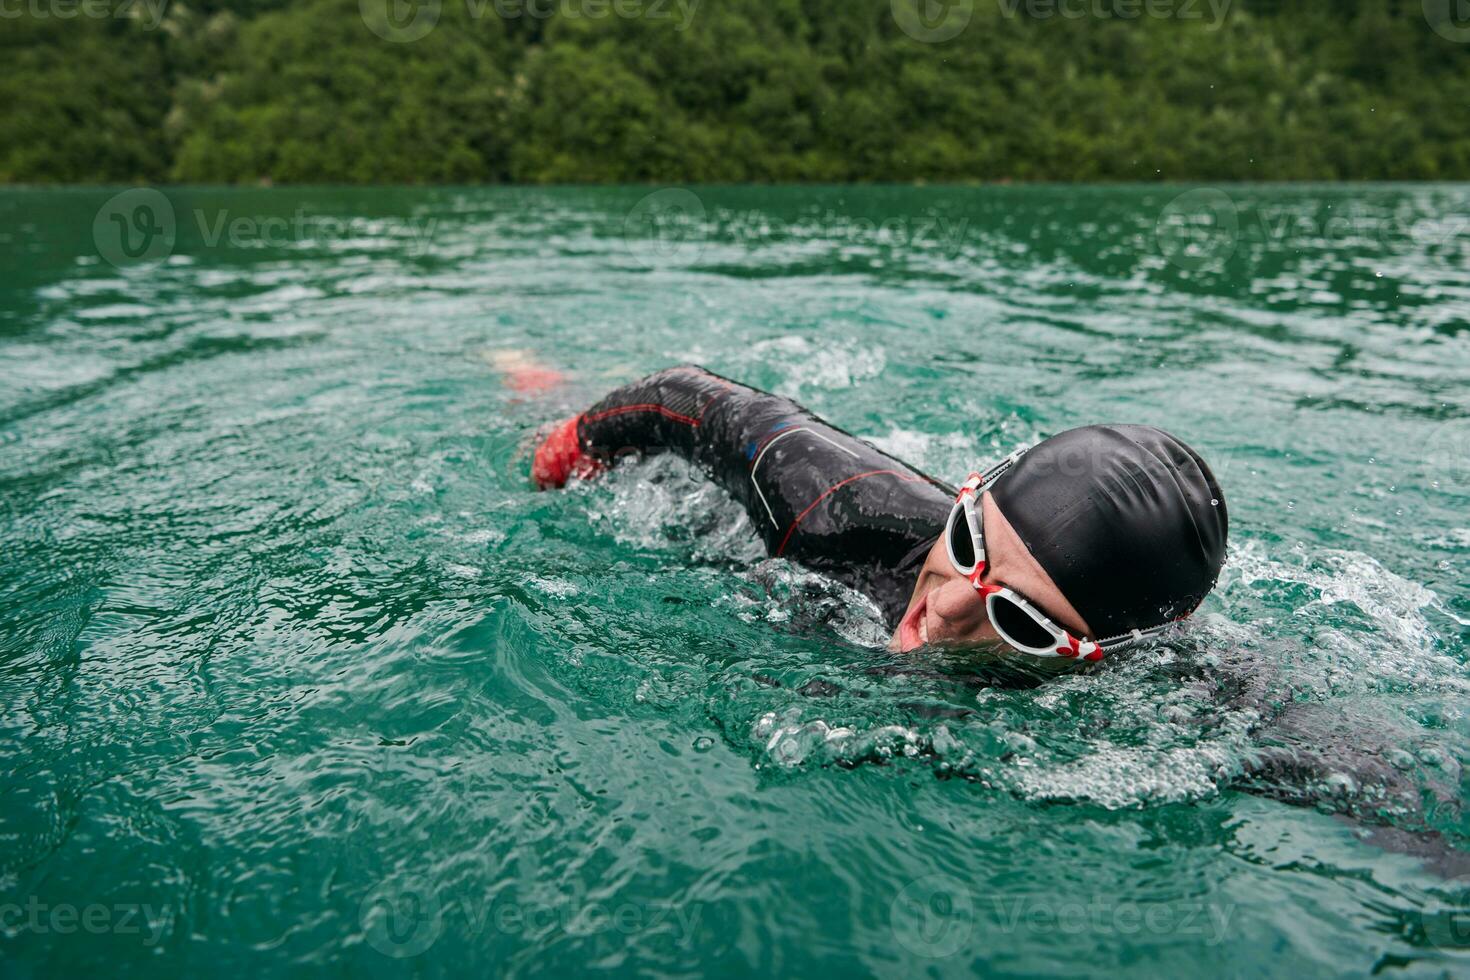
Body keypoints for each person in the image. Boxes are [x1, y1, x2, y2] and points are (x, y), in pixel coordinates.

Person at [531, 365, 1228, 673]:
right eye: (966, 540)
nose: (947, 606)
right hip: (710, 526)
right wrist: (566, 452)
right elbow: (688, 399)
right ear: (968, 497)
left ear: (1106, 653)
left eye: (1021, 620)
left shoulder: (1159, 690)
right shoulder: (835, 509)